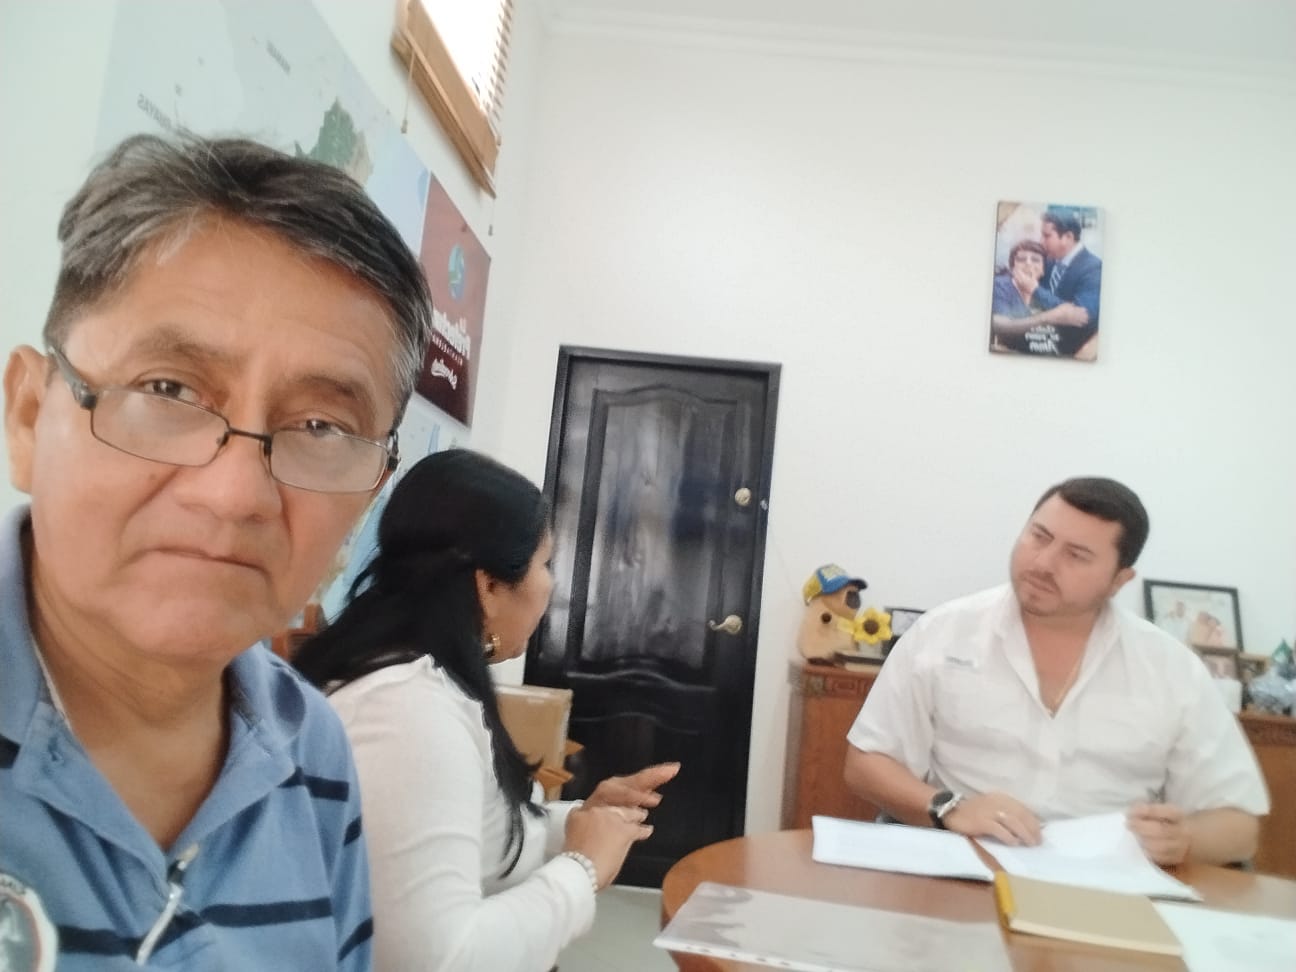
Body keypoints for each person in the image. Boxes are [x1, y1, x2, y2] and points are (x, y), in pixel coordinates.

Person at [0, 132, 435, 969]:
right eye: (167, 389)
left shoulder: (313, 754)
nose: (234, 494)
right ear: (27, 415)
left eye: (321, 427)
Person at [294, 448, 680, 972]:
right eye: (545, 564)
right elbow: (442, 961)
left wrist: (575, 821)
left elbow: (476, 834)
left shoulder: (424, 681)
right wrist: (582, 868)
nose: (550, 587)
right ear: (490, 585)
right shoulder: (407, 711)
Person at [843, 477, 1268, 867]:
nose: (1044, 563)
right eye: (1039, 536)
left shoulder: (1172, 669)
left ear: (1120, 580)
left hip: (1108, 884)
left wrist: (1185, 839)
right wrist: (949, 807)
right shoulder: (943, 633)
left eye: (1076, 555)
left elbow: (1239, 825)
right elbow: (865, 762)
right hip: (962, 864)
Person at [991, 211, 1101, 359]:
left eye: (1046, 236)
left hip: (1065, 352)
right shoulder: (1051, 260)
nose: (1041, 241)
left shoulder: (1093, 268)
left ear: (1068, 237)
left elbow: (1082, 316)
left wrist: (1035, 290)